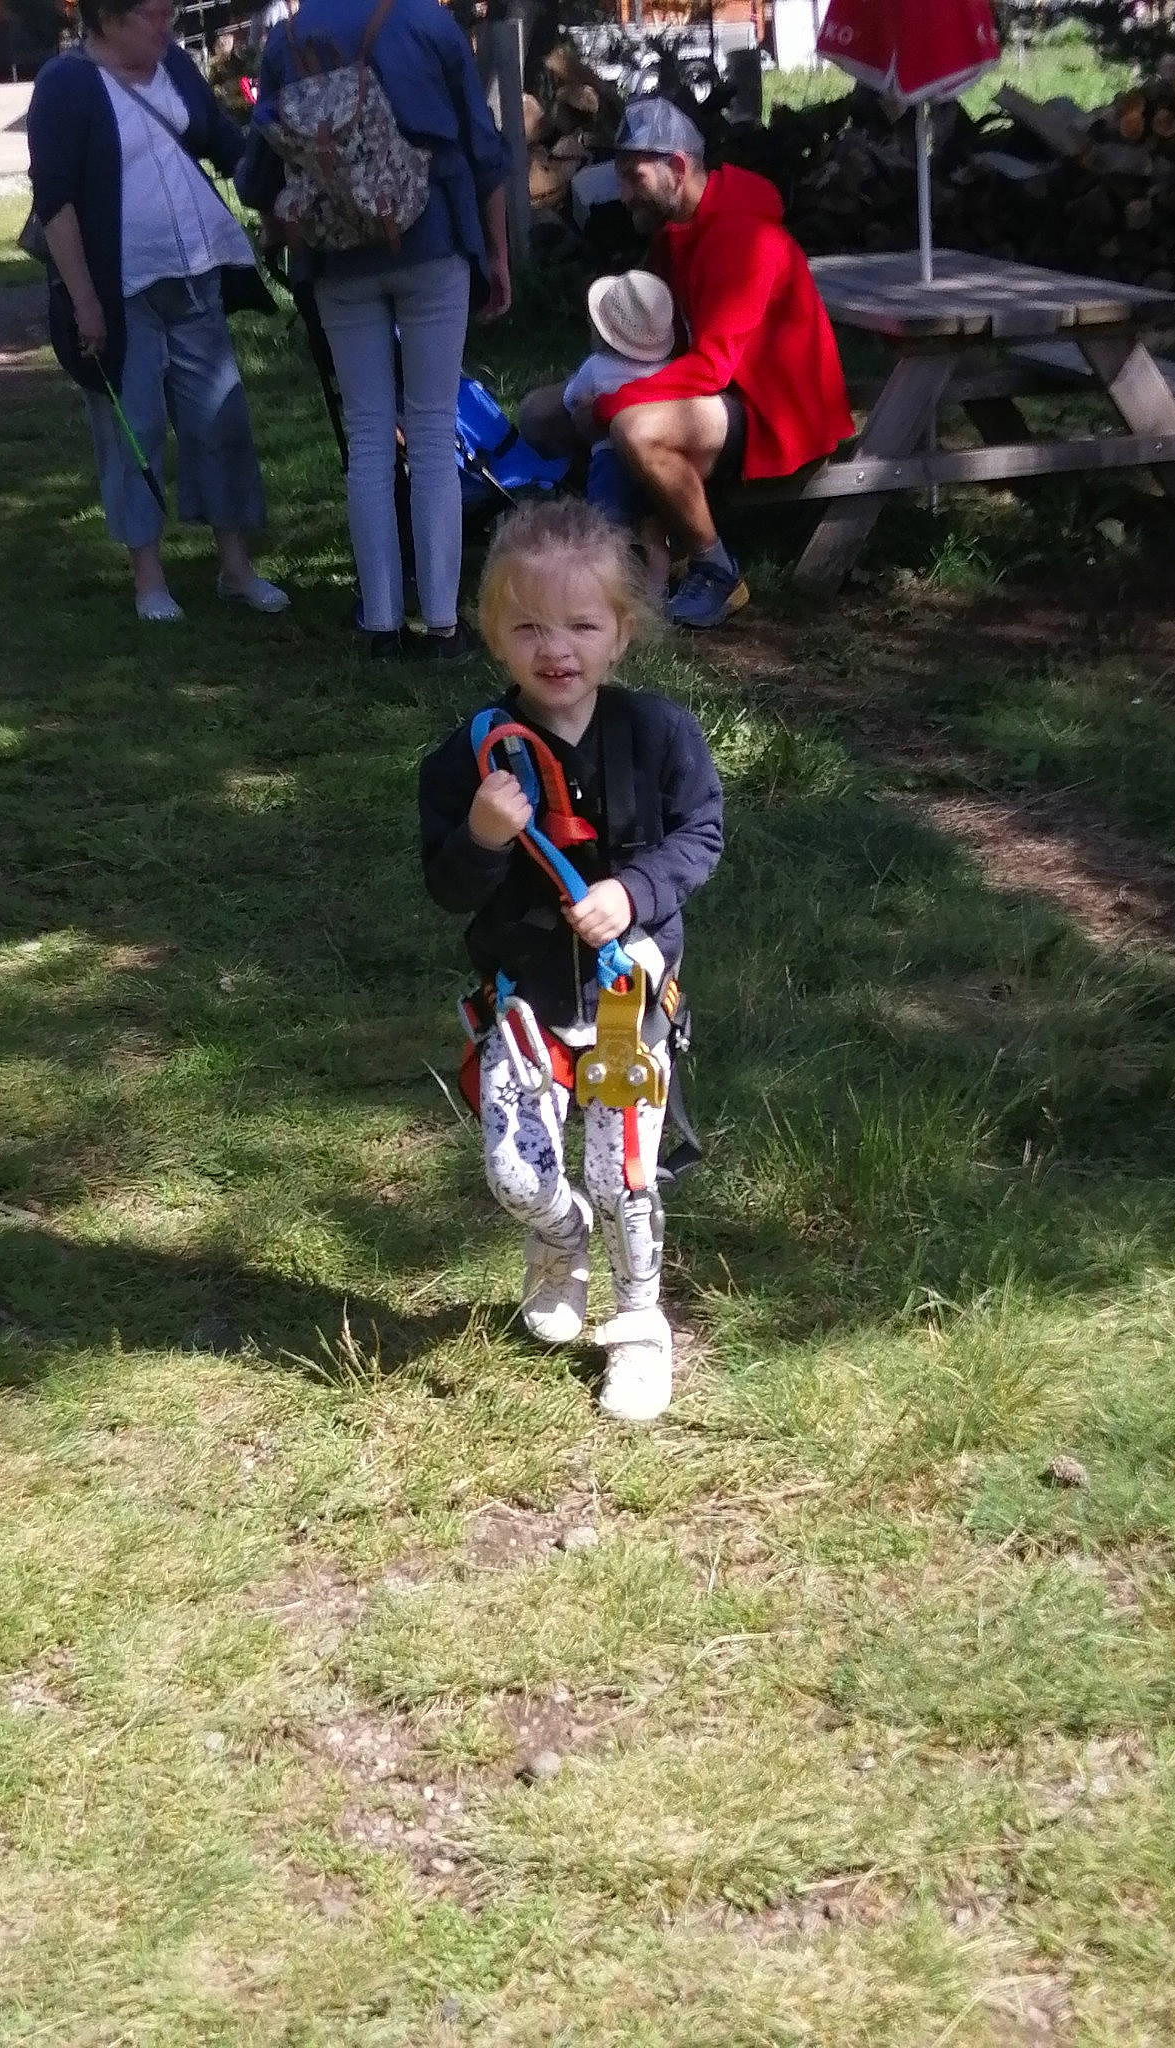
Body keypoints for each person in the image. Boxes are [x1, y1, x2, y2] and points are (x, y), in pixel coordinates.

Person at [419, 500, 723, 1421]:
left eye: (583, 624)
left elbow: (702, 832)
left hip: (631, 1004)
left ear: (621, 634)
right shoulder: (469, 759)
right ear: (495, 639)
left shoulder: (661, 734)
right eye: (530, 627)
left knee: (624, 1173)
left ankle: (638, 1329)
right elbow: (448, 887)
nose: (558, 648)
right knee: (517, 1172)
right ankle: (558, 1238)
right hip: (524, 1005)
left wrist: (633, 895)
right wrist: (481, 835)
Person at [238, 0, 511, 660]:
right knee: (430, 423)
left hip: (335, 256)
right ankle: (444, 624)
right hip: (433, 237)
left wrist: (283, 223)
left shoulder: (287, 39)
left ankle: (382, 622)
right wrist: (497, 255)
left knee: (367, 437)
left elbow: (256, 175)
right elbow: (483, 150)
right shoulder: (430, 23)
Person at [522, 97, 853, 633]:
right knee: (540, 413)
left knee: (634, 428)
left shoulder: (745, 235)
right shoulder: (677, 229)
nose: (625, 193)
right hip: (717, 393)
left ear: (677, 168)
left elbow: (713, 367)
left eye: (635, 177)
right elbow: (667, 342)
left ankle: (715, 567)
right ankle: (623, 534)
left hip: (771, 407)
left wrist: (613, 401)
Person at [26, 0, 288, 625]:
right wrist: (85, 301)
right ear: (109, 18)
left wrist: (282, 196)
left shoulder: (173, 64)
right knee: (132, 430)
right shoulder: (64, 84)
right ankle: (149, 580)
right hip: (121, 294)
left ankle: (236, 569)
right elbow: (55, 202)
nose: (167, 25)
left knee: (220, 422)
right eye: (153, 15)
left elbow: (227, 146)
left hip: (197, 275)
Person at [562, 268, 674, 543]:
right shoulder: (667, 370)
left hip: (610, 460)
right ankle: (657, 584)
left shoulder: (596, 367)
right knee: (654, 531)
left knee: (606, 530)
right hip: (658, 461)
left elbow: (570, 401)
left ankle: (612, 581)